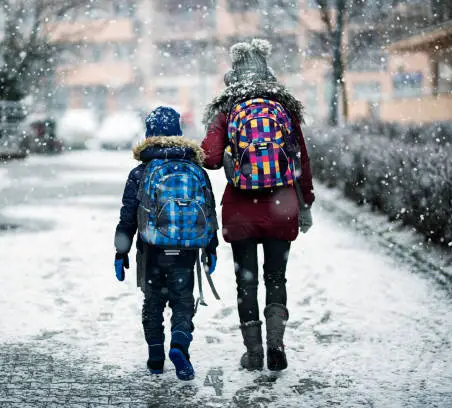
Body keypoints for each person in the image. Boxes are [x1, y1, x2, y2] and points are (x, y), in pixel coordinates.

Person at [200, 39, 315, 372]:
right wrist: (305, 201)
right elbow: (301, 162)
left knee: (246, 282)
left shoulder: (227, 109)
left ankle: (254, 353)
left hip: (241, 210)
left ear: (233, 74)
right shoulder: (283, 108)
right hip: (282, 206)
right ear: (269, 72)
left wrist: (227, 156)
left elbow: (207, 156)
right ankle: (277, 346)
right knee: (276, 278)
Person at [114, 106, 218, 380]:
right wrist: (211, 247)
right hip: (185, 250)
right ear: (178, 133)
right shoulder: (195, 168)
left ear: (149, 134)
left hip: (152, 251)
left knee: (154, 302)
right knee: (183, 301)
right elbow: (209, 211)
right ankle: (180, 345)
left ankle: (156, 355)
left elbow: (128, 216)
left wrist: (120, 252)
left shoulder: (141, 172)